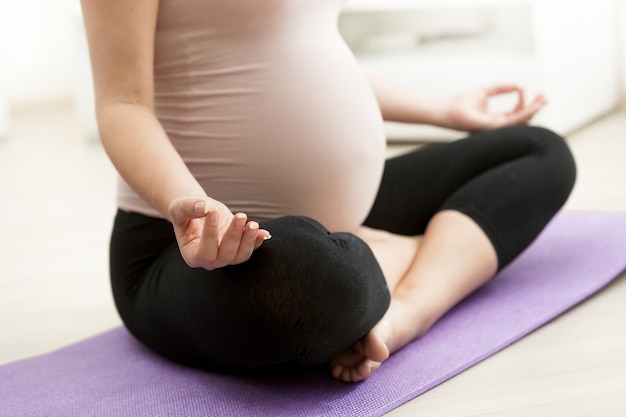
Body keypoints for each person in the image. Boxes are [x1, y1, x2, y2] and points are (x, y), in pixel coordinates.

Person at [80, 0, 576, 382]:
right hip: (196, 246)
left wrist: (444, 112)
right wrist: (192, 209)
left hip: (343, 214)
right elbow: (122, 104)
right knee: (309, 286)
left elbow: (299, 51)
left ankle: (405, 306)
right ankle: (421, 253)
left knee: (539, 151)